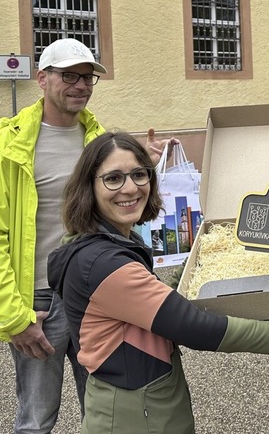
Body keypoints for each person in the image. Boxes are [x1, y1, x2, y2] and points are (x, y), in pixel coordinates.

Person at [47, 131, 269, 433]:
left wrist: (207, 266)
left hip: (144, 403)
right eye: (113, 178)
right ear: (88, 186)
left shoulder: (106, 244)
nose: (130, 188)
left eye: (139, 175)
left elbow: (159, 304)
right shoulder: (103, 264)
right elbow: (191, 325)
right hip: (134, 415)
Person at [0, 37, 177, 434]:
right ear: (42, 79)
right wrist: (14, 317)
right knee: (35, 419)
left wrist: (142, 166)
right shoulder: (8, 145)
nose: (80, 85)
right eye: (69, 76)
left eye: (87, 77)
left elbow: (117, 203)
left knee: (102, 409)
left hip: (96, 293)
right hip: (37, 303)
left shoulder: (97, 141)